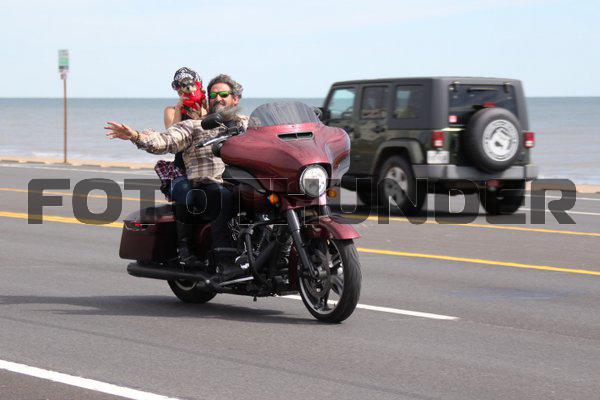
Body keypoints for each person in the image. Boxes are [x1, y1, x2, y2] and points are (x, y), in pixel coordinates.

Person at [105, 74, 248, 280]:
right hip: (208, 185)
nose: (218, 98)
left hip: (243, 183)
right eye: (213, 95)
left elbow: (274, 136)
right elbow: (166, 140)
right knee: (221, 195)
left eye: (223, 94)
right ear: (207, 99)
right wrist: (135, 136)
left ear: (235, 98)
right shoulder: (195, 126)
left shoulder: (248, 124)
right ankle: (226, 262)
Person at [155, 67, 207, 268]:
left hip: (208, 168)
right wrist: (180, 108)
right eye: (178, 86)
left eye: (189, 84)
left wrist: (201, 107)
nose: (184, 89)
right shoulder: (171, 110)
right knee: (186, 193)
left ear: (198, 85)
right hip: (182, 170)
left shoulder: (208, 107)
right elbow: (172, 137)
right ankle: (184, 248)